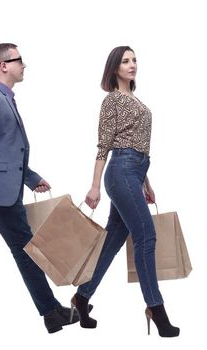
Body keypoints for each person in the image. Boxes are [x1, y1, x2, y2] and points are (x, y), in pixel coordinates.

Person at [0, 43, 78, 333]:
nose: (24, 65)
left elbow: (5, 152)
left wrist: (32, 177)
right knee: (26, 249)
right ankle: (51, 312)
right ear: (4, 65)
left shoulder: (5, 98)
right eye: (19, 60)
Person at [71, 46, 179, 337]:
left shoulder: (137, 100)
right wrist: (94, 186)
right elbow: (104, 146)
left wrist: (146, 182)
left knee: (113, 240)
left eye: (134, 60)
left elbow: (139, 144)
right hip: (119, 173)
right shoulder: (112, 100)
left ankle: (82, 297)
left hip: (135, 173)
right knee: (146, 236)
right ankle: (155, 308)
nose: (132, 65)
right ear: (114, 68)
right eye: (125, 61)